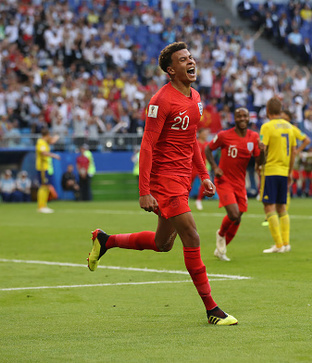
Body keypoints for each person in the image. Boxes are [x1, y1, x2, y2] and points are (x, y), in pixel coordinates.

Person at [87, 42, 237, 325]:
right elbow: (147, 145)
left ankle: (106, 240)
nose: (190, 61)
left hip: (182, 180)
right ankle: (212, 310)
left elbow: (191, 139)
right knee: (191, 237)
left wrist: (204, 175)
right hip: (164, 181)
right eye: (183, 60)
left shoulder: (195, 98)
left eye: (190, 57)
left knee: (163, 244)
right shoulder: (160, 101)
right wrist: (144, 191)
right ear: (171, 70)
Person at [205, 107, 262, 261]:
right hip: (224, 180)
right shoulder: (224, 135)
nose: (242, 119)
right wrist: (215, 167)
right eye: (239, 116)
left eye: (245, 116)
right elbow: (208, 149)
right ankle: (221, 234)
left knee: (238, 218)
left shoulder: (254, 137)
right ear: (234, 119)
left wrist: (262, 152)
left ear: (249, 118)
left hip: (239, 182)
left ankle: (221, 250)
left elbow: (259, 161)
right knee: (234, 214)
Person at [259, 97, 296, 253]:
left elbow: (262, 148)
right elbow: (293, 152)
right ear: (280, 110)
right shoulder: (289, 127)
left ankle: (279, 244)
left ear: (268, 110)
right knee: (282, 207)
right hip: (284, 170)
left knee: (269, 207)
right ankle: (286, 243)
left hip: (271, 170)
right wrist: (289, 171)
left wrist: (259, 165)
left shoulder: (266, 127)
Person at [36, 128, 60, 213]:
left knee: (46, 186)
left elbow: (52, 141)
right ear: (47, 135)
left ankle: (44, 205)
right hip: (42, 167)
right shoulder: (40, 142)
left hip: (46, 167)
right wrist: (54, 155)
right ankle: (41, 206)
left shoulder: (45, 142)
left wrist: (57, 137)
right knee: (43, 186)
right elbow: (43, 153)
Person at [193, 128, 211, 211]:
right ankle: (185, 200)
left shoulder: (207, 144)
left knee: (205, 183)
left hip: (202, 167)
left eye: (206, 133)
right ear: (199, 134)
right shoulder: (195, 143)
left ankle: (199, 200)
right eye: (204, 133)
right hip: (192, 166)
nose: (205, 135)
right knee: (187, 184)